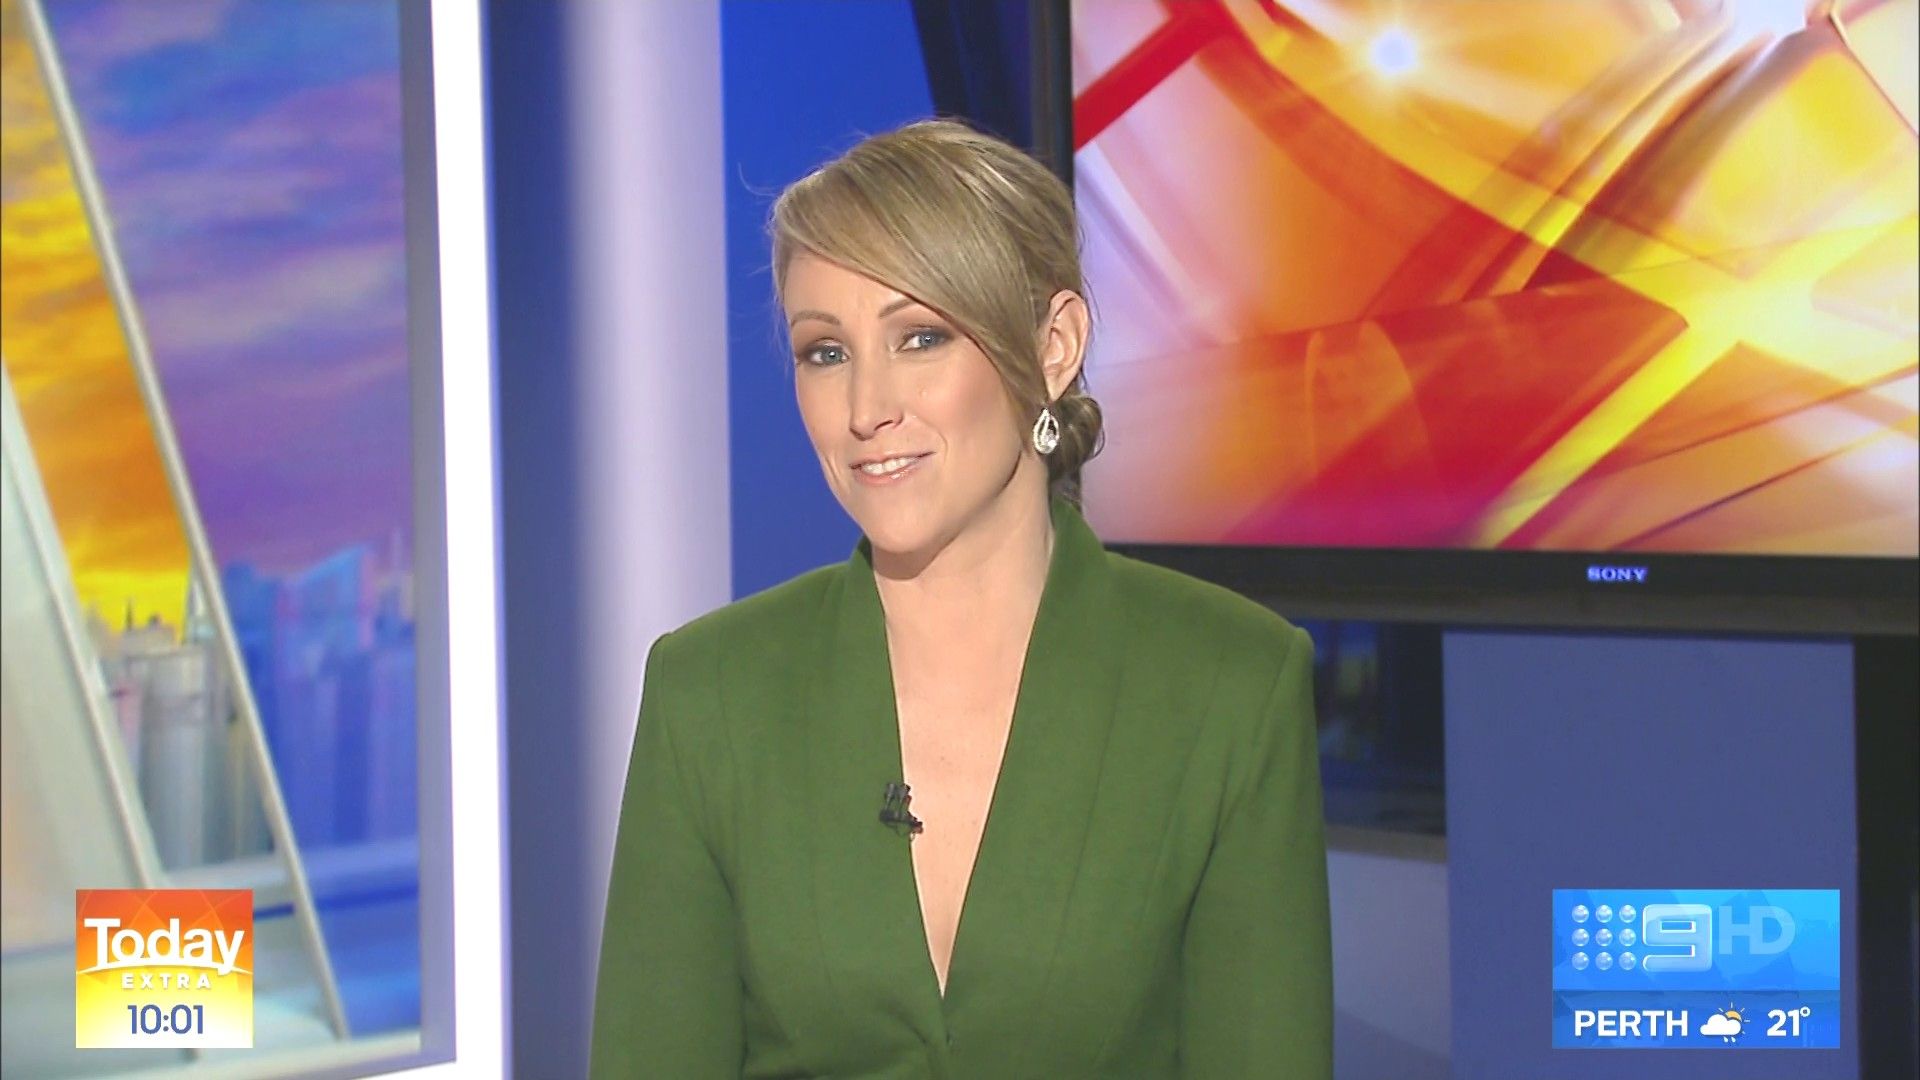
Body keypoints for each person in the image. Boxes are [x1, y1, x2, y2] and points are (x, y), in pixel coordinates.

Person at [589, 118, 1331, 1078]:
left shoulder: (1231, 685)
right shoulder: (709, 694)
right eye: (826, 352)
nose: (867, 409)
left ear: (1053, 346)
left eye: (921, 337)